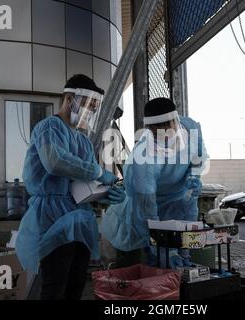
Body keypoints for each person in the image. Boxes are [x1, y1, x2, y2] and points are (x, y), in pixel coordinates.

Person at [15, 74, 126, 300]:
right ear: (69, 98)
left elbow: (85, 184)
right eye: (88, 105)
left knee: (75, 285)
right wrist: (99, 172)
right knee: (54, 285)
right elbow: (56, 162)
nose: (91, 112)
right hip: (52, 218)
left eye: (94, 107)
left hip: (80, 219)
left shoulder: (82, 140)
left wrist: (104, 194)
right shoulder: (49, 128)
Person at [100, 97, 208, 268]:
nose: (165, 137)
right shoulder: (143, 158)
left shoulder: (191, 128)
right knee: (157, 261)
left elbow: (199, 156)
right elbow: (148, 211)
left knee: (186, 238)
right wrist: (166, 251)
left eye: (169, 129)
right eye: (158, 133)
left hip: (183, 197)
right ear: (149, 130)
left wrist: (193, 176)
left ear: (177, 121)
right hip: (149, 206)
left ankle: (186, 262)